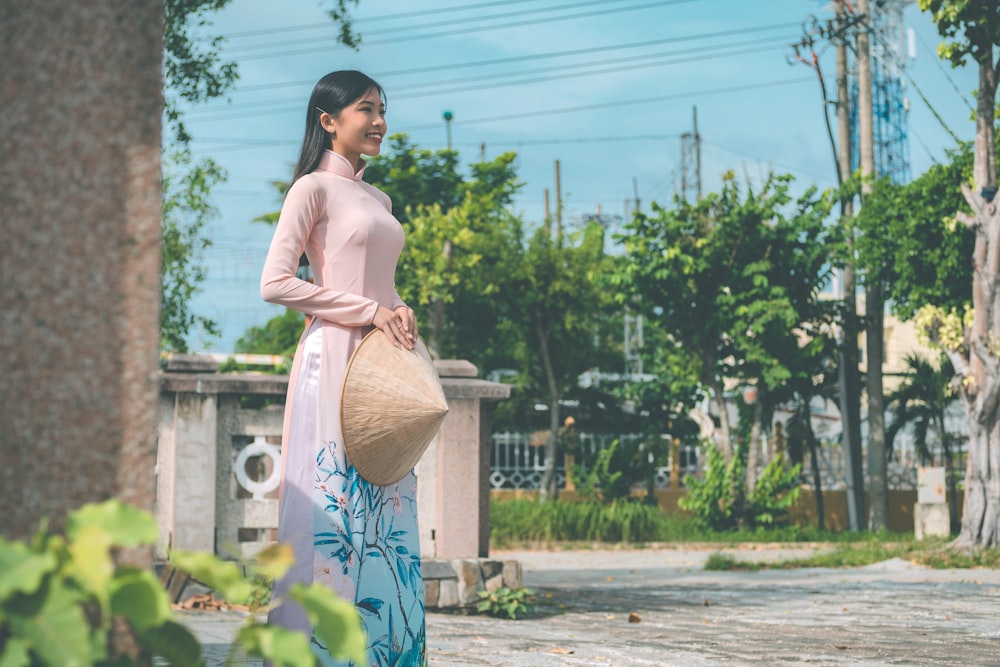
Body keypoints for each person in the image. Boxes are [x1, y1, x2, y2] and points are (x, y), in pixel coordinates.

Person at [260, 70, 425, 667]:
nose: (380, 121)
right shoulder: (312, 189)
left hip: (380, 364)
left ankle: (384, 650)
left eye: (382, 109)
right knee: (332, 510)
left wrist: (397, 307)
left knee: (387, 500)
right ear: (329, 120)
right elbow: (275, 283)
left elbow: (379, 280)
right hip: (329, 357)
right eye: (366, 110)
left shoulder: (378, 198)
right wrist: (367, 310)